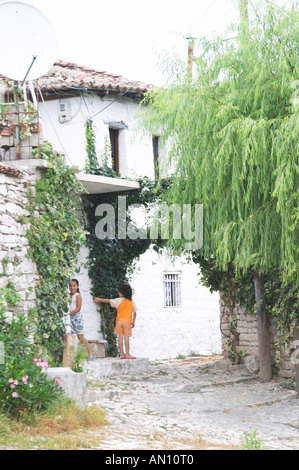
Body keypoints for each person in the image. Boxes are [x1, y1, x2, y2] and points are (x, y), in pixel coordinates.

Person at [93, 284, 137, 359]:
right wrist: (133, 321)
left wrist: (99, 299)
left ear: (122, 293)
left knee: (120, 337)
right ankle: (128, 354)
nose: (118, 293)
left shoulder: (118, 300)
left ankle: (122, 354)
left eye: (119, 292)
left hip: (119, 321)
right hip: (127, 322)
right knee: (126, 338)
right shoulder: (131, 301)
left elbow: (108, 301)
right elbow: (135, 312)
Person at [69, 279, 96, 361]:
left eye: (74, 285)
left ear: (77, 286)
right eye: (70, 285)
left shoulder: (78, 296)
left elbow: (78, 308)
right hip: (70, 318)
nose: (72, 287)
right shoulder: (68, 295)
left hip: (77, 318)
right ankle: (69, 356)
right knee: (69, 335)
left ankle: (90, 352)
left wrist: (69, 313)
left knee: (80, 337)